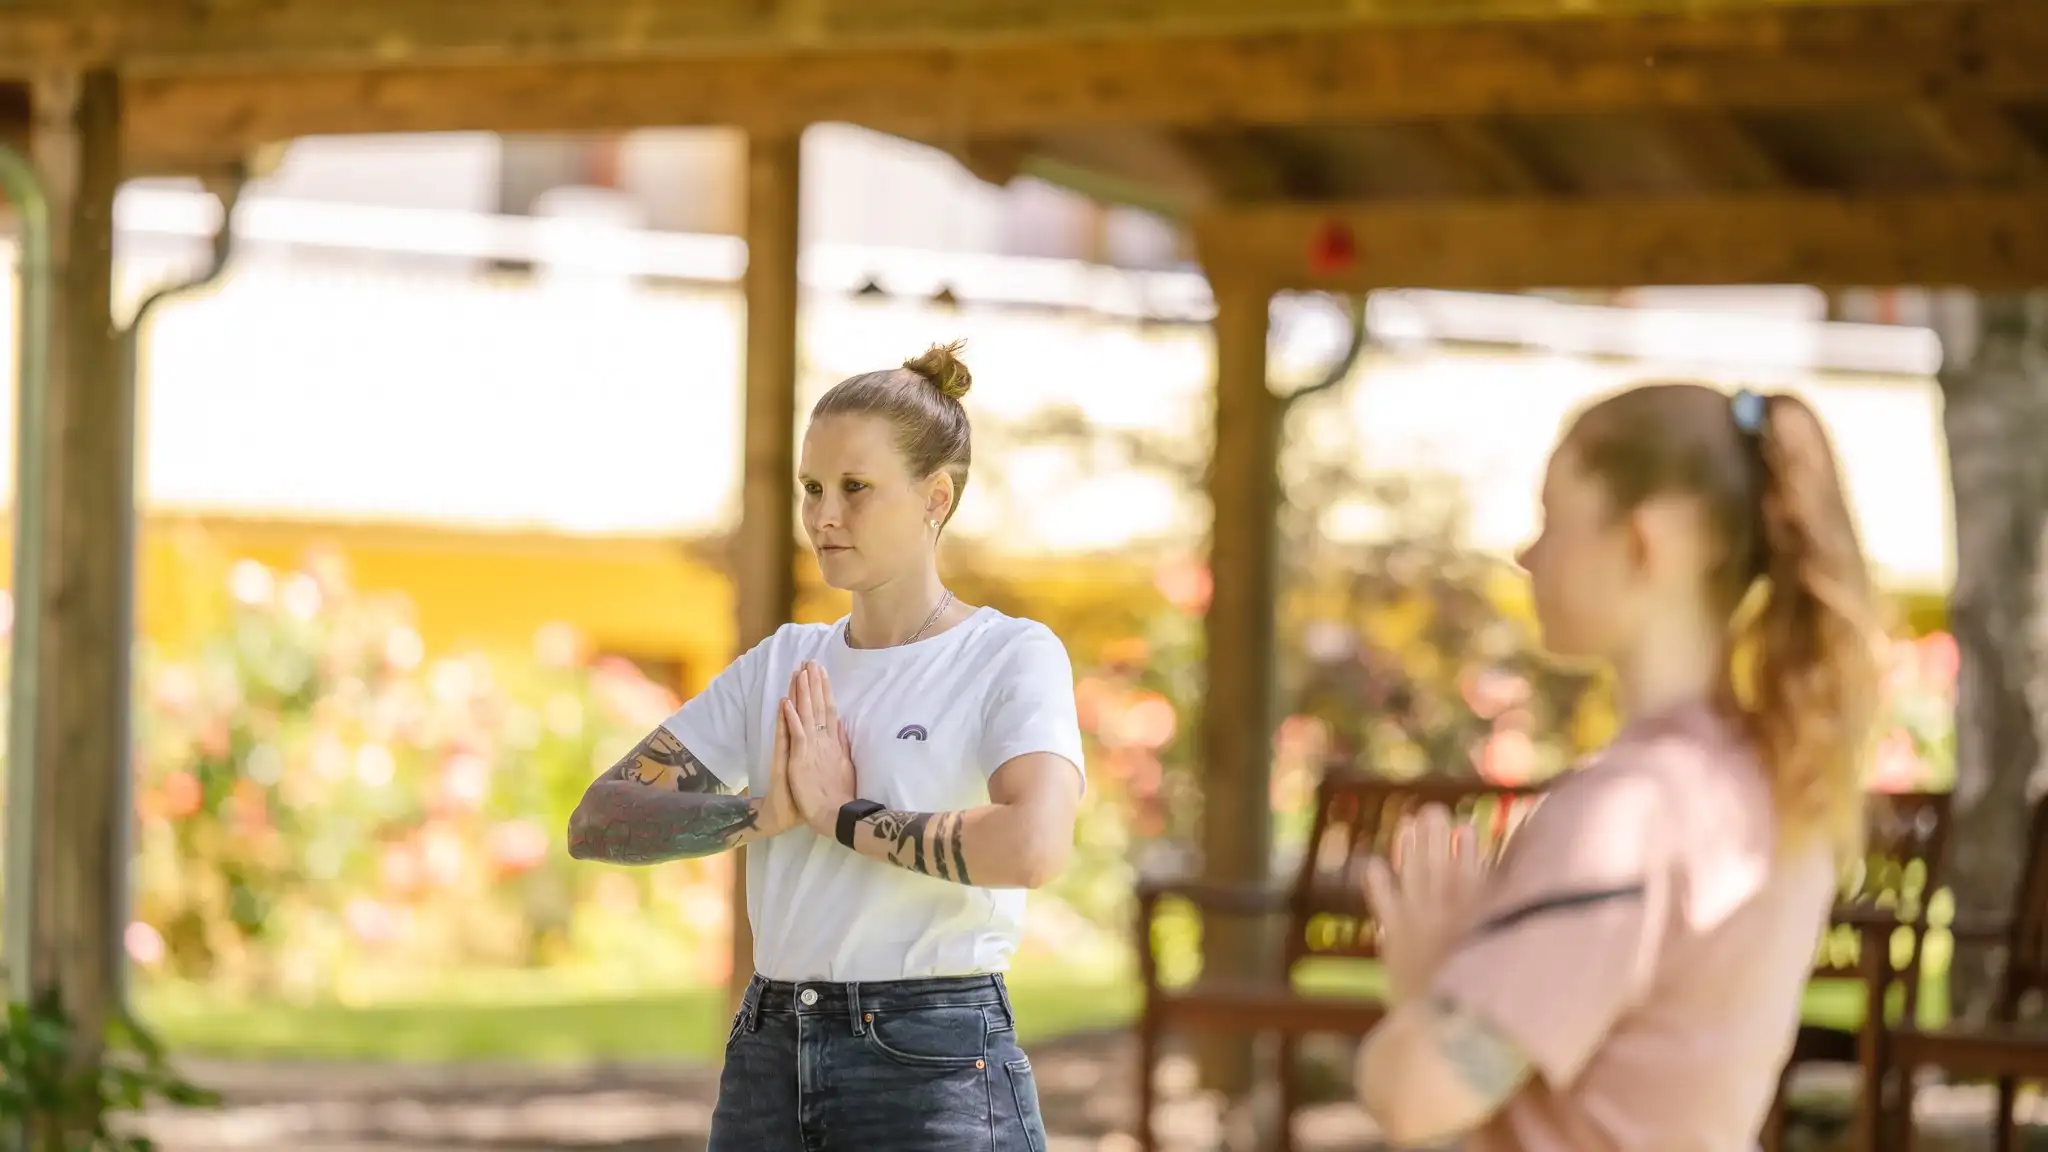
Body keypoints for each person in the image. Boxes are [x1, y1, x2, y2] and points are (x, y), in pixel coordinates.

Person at [564, 341, 1086, 1151]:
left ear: (934, 498)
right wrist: (757, 815)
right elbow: (597, 820)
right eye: (812, 488)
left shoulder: (1006, 655)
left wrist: (844, 816)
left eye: (855, 489)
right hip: (769, 1053)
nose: (823, 516)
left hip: (934, 1062)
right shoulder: (779, 662)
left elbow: (1034, 845)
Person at [1355, 383, 1881, 1150]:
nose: (1527, 553)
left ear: (1644, 542)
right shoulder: (1767, 783)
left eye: (1551, 518)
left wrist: (1428, 985)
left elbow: (1417, 1094)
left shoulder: (1628, 813)